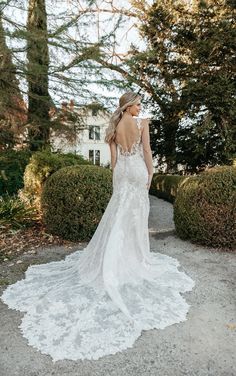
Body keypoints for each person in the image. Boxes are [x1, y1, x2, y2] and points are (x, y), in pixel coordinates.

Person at [1, 92, 195, 362]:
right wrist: (151, 172)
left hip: (122, 172)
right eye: (137, 104)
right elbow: (148, 151)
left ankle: (116, 257)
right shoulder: (142, 123)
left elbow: (114, 158)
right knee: (135, 217)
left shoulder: (114, 127)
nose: (140, 108)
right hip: (137, 169)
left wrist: (118, 177)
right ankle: (134, 257)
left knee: (119, 215)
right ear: (128, 106)